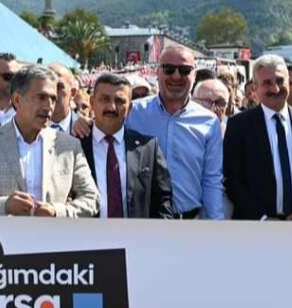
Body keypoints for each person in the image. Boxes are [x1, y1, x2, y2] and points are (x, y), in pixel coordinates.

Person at [74, 45, 224, 219]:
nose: (176, 76)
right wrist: (84, 123)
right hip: (144, 223)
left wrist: (215, 225)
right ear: (157, 72)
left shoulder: (209, 122)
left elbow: (212, 181)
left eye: (184, 70)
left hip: (191, 221)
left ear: (194, 75)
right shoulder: (133, 112)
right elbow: (106, 125)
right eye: (169, 69)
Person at [0, 66, 98, 218]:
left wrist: (57, 211)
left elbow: (92, 199)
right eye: (41, 98)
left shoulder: (69, 146)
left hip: (53, 233)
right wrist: (4, 206)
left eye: (53, 99)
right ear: (17, 100)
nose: (49, 106)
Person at [223, 55, 292, 220]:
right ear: (255, 87)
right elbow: (232, 180)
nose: (275, 89)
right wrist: (262, 218)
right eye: (267, 83)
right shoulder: (239, 125)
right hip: (256, 225)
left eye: (280, 81)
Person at [79, 73, 173, 219]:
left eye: (120, 101)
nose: (112, 107)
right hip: (85, 232)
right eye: (105, 99)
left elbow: (163, 201)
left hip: (137, 233)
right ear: (92, 102)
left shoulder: (148, 148)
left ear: (129, 108)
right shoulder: (75, 145)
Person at [48, 63, 80, 134]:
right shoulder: (27, 126)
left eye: (59, 86)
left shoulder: (86, 130)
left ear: (73, 93)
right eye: (47, 86)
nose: (52, 92)